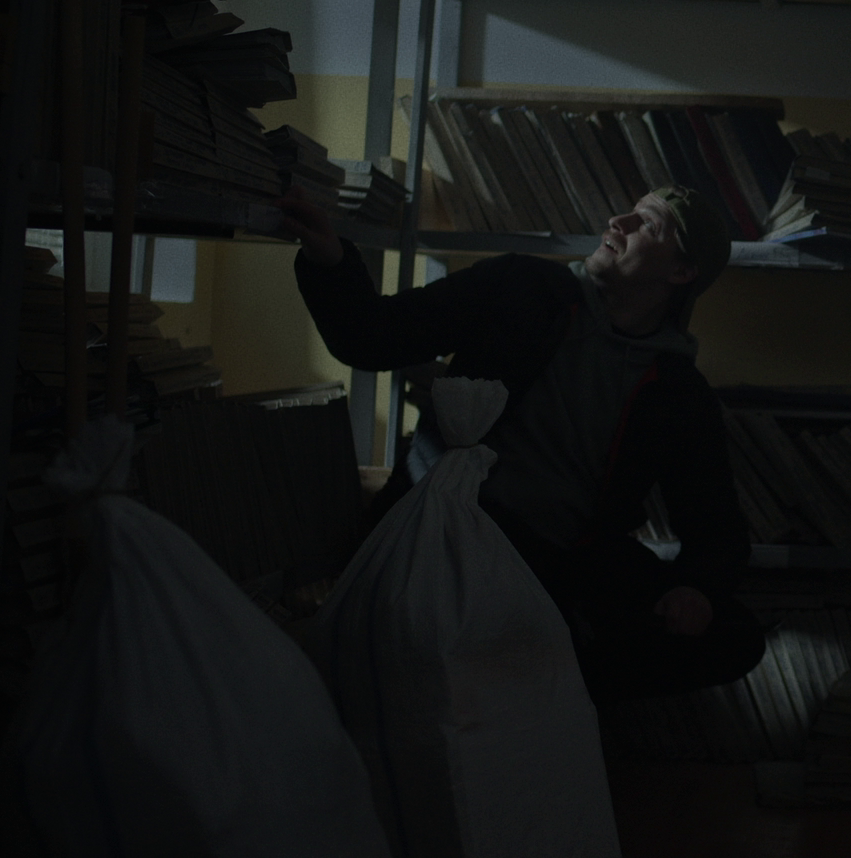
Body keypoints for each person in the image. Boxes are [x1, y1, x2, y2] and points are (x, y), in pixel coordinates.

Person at [278, 185, 765, 703]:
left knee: (735, 636)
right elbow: (371, 336)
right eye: (628, 210)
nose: (617, 221)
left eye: (647, 224)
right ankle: (539, 671)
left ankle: (553, 687)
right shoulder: (521, 286)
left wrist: (698, 591)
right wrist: (328, 257)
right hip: (449, 528)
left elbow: (717, 529)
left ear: (681, 273)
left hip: (560, 560)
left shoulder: (678, 392)